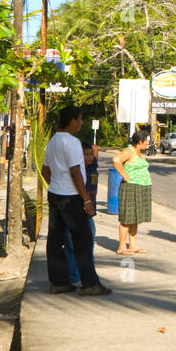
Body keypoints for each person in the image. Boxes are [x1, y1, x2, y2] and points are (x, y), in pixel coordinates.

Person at [41, 106, 111, 296]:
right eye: (80, 119)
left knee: (55, 240)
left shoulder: (53, 140)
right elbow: (75, 171)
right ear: (72, 120)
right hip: (71, 196)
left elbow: (45, 170)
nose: (81, 122)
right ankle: (89, 283)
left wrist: (55, 184)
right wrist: (86, 200)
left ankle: (58, 282)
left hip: (55, 194)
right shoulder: (71, 142)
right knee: (83, 238)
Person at [64, 144, 101, 286]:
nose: (89, 157)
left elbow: (95, 147)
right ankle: (75, 277)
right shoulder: (77, 171)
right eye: (85, 154)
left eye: (90, 154)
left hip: (88, 214)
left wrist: (88, 150)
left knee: (89, 243)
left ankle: (86, 275)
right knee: (72, 245)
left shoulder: (92, 166)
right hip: (76, 212)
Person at [113, 130, 153, 255]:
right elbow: (116, 160)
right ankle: (121, 246)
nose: (147, 143)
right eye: (146, 141)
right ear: (140, 141)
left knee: (135, 217)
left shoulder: (139, 153)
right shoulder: (129, 151)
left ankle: (133, 245)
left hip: (141, 187)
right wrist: (124, 175)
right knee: (127, 218)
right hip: (130, 188)